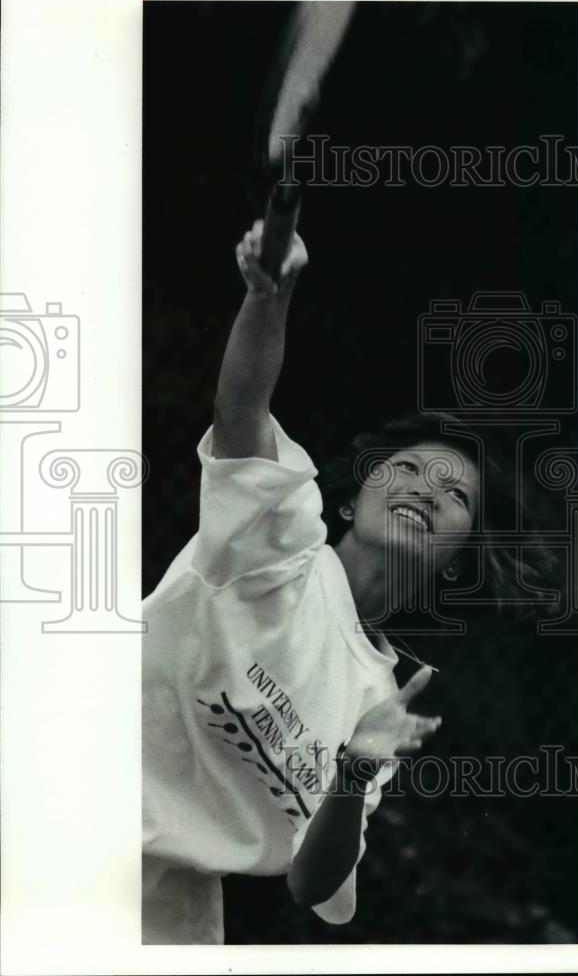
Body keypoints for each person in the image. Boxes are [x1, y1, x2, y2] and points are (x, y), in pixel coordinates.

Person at [142, 218, 506, 945]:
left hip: (167, 915)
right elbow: (239, 411)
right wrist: (268, 296)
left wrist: (358, 767)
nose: (428, 488)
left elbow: (316, 885)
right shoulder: (276, 543)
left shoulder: (381, 694)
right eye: (407, 468)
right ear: (349, 498)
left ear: (457, 557)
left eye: (456, 493)